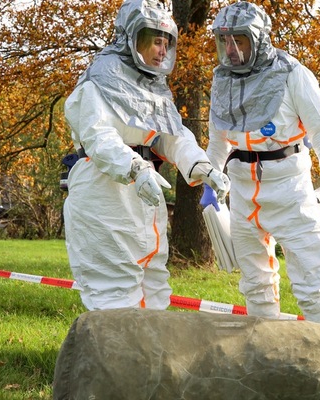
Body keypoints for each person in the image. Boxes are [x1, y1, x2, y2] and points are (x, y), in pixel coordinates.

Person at [63, 0, 230, 311]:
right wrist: (136, 168)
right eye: (155, 40)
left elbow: (172, 137)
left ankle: (151, 359)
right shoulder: (98, 82)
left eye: (167, 42)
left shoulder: (153, 89)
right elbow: (99, 138)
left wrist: (204, 167)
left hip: (144, 195)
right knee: (113, 290)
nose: (162, 50)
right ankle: (115, 359)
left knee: (154, 286)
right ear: (131, 37)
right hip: (105, 194)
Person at [201, 1, 320, 326]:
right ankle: (265, 354)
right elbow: (219, 140)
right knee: (255, 283)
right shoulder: (222, 80)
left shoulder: (292, 73)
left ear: (258, 38)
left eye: (238, 39)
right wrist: (211, 180)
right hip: (242, 193)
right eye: (224, 40)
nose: (231, 48)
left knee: (312, 280)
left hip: (289, 190)